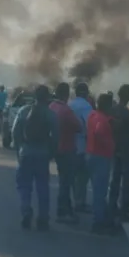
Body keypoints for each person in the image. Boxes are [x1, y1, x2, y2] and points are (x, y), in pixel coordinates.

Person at [11, 84, 58, 231]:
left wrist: (19, 150)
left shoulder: (24, 111)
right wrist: (51, 152)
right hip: (42, 155)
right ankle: (43, 219)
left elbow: (15, 132)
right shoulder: (51, 114)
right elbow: (56, 137)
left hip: (26, 153)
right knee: (43, 187)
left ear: (34, 97)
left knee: (24, 186)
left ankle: (26, 211)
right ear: (47, 98)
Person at [50, 82, 82, 223]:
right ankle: (61, 212)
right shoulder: (66, 110)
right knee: (66, 182)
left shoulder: (52, 107)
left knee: (65, 180)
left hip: (57, 149)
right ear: (66, 94)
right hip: (67, 149)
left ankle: (67, 210)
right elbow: (79, 127)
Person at [108, 84, 129, 223]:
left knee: (114, 181)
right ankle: (123, 211)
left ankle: (111, 207)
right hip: (127, 151)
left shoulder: (110, 111)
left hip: (113, 150)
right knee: (126, 183)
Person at [86, 92, 117, 234]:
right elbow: (99, 132)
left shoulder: (93, 115)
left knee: (98, 189)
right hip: (101, 156)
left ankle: (102, 218)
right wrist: (110, 145)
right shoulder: (102, 120)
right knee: (100, 191)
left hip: (91, 154)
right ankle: (98, 222)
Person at [69, 81, 94, 213]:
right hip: (82, 146)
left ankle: (75, 200)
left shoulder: (70, 105)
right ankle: (80, 202)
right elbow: (90, 127)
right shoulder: (86, 107)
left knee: (73, 176)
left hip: (70, 144)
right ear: (85, 93)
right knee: (83, 176)